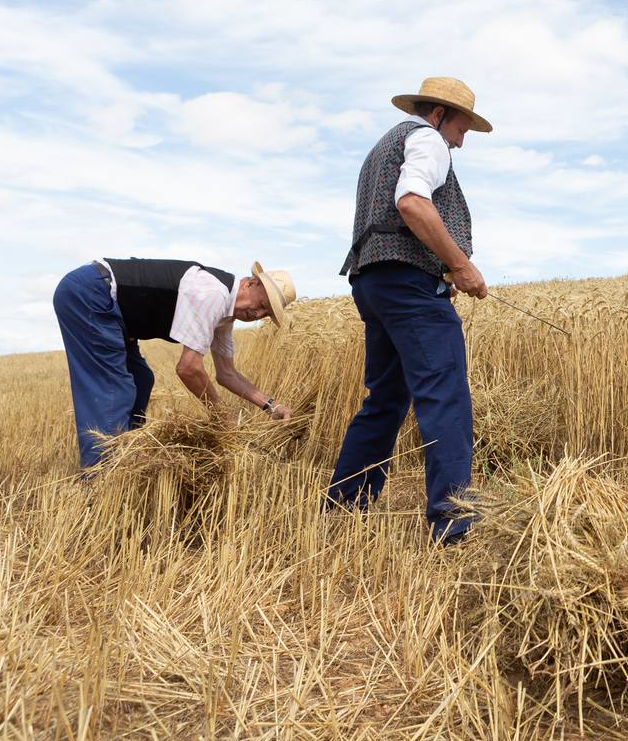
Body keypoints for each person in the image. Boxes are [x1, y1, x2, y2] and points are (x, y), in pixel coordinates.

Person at [328, 77, 492, 545]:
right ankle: (454, 526)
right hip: (405, 285)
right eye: (462, 128)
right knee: (446, 398)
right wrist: (459, 265)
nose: (462, 141)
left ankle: (344, 507)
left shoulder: (385, 145)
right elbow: (412, 202)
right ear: (439, 114)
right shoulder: (428, 140)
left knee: (386, 398)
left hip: (371, 281)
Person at [53, 257, 295, 469]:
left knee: (141, 379)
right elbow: (188, 369)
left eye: (266, 314)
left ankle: (126, 457)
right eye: (262, 305)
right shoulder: (214, 294)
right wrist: (221, 414)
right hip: (91, 293)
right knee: (113, 388)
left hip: (114, 314)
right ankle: (102, 476)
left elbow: (226, 373)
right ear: (250, 283)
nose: (258, 314)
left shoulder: (225, 316)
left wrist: (271, 406)